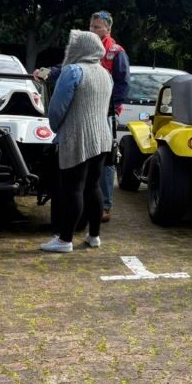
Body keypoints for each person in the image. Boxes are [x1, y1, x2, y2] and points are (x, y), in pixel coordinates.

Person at [40, 30, 114, 253]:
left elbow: (57, 108)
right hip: (102, 136)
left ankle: (64, 239)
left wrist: (56, 129)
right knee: (93, 186)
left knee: (73, 188)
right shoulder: (104, 73)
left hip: (77, 136)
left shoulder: (73, 71)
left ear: (79, 48)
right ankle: (94, 236)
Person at [88, 11, 130, 223]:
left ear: (108, 30)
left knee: (105, 159)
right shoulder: (84, 50)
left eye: (98, 27)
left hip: (104, 114)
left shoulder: (115, 52)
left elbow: (122, 85)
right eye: (92, 26)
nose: (93, 30)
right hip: (85, 111)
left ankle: (104, 205)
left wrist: (111, 109)